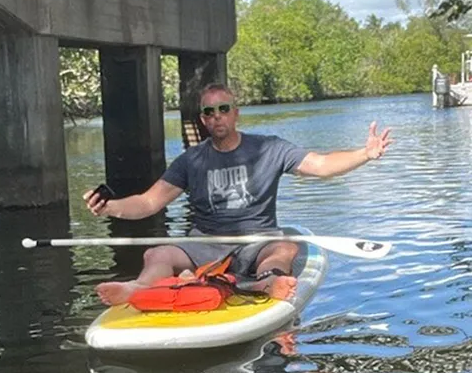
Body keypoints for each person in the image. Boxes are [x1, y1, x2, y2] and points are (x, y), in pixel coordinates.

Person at [84, 83, 392, 306]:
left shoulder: (269, 148)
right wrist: (109, 207)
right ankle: (139, 288)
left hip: (257, 243)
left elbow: (322, 165)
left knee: (285, 247)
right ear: (203, 120)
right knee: (157, 253)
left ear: (235, 114)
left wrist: (364, 154)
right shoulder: (191, 160)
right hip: (204, 244)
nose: (217, 116)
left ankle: (269, 281)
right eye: (209, 112)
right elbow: (149, 202)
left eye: (223, 109)